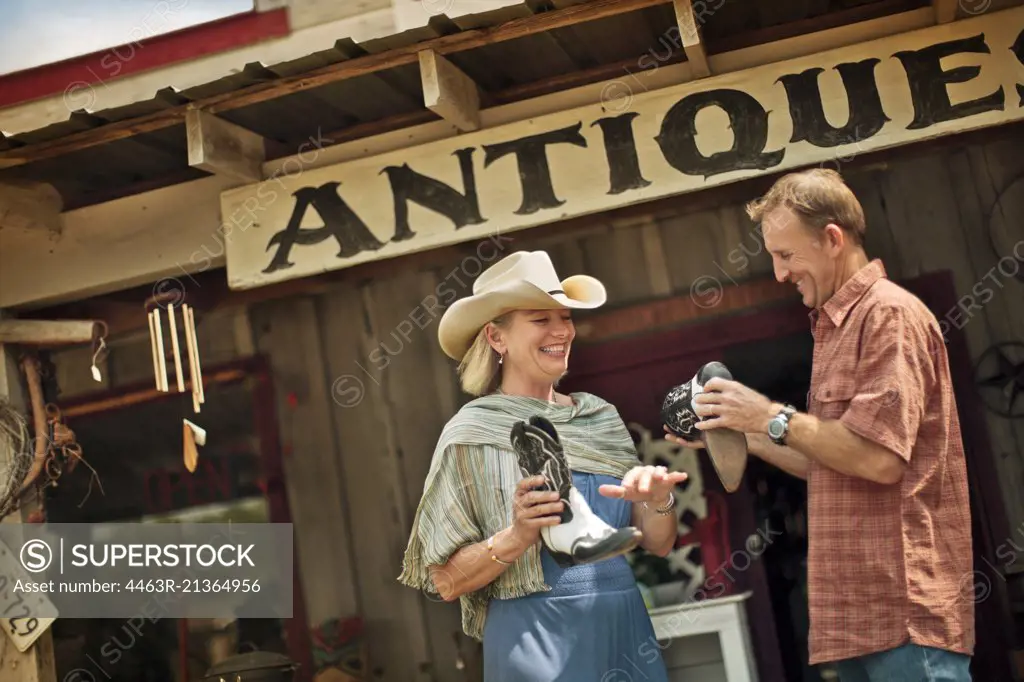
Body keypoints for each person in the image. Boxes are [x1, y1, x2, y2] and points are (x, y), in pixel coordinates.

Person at [666, 168, 975, 681]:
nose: (779, 274)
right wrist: (742, 433)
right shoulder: (837, 328)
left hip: (904, 616)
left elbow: (878, 460)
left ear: (832, 239)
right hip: (858, 622)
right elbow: (835, 461)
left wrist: (769, 415)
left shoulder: (887, 316)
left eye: (785, 255)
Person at [399, 250, 683, 682]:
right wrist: (517, 536)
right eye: (540, 319)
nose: (561, 331)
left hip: (624, 623)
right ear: (497, 338)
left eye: (565, 317)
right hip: (535, 637)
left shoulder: (600, 418)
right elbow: (445, 581)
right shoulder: (470, 434)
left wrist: (659, 499)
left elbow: (659, 544)